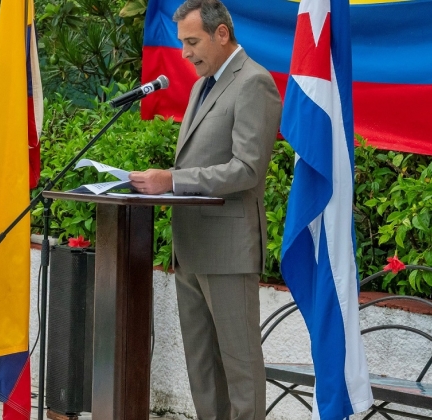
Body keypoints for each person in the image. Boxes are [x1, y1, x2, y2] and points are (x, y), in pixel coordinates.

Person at [127, 1, 282, 419]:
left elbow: (246, 168)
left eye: (192, 41)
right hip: (191, 247)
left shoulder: (254, 83)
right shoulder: (202, 86)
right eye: (182, 43)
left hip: (229, 250)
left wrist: (172, 181)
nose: (185, 52)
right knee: (203, 369)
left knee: (239, 366)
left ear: (221, 34)